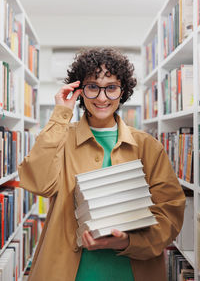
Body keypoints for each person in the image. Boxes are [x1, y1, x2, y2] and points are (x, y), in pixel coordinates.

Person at [18, 47, 186, 281]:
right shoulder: (61, 138)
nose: (102, 97)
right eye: (93, 87)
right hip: (70, 272)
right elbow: (37, 183)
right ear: (80, 91)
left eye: (111, 88)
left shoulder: (148, 146)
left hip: (131, 271)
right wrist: (60, 115)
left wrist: (129, 241)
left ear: (122, 91)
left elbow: (170, 214)